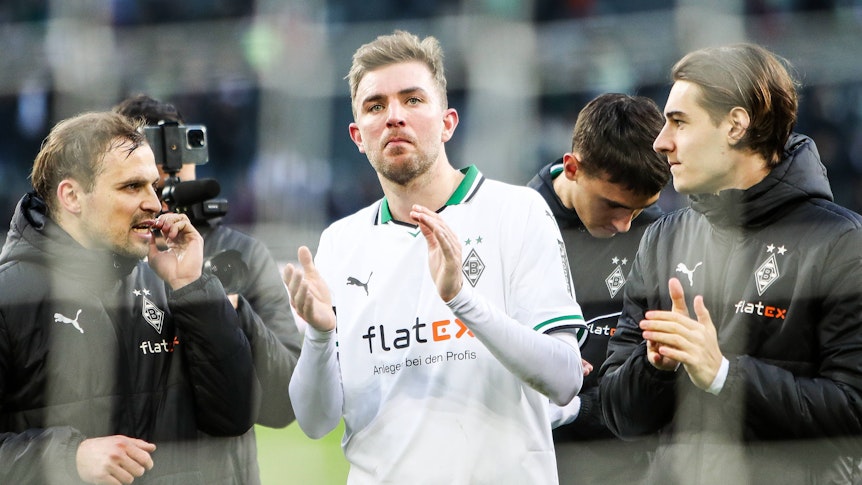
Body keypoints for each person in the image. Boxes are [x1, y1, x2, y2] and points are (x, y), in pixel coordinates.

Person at [283, 30, 587, 484]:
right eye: (375, 106)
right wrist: (321, 336)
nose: (394, 117)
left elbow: (565, 380)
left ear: (447, 123)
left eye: (412, 99)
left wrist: (462, 299)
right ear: (357, 136)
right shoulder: (339, 243)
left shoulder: (516, 211)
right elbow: (314, 422)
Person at [599, 43, 862, 484]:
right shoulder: (662, 239)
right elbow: (619, 417)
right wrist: (654, 370)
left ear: (736, 125)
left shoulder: (841, 242)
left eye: (679, 121)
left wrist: (724, 375)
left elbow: (853, 411)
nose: (661, 142)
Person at [0, 111, 256, 484]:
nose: (155, 202)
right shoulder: (9, 297)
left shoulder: (169, 281)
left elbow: (234, 415)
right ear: (72, 196)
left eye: (153, 186)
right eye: (132, 187)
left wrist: (193, 287)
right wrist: (70, 458)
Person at [113, 94, 303, 484]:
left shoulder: (240, 255)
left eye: (180, 149)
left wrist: (226, 308)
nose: (170, 171)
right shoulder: (104, 260)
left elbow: (285, 402)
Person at [528, 92, 670, 484]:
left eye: (638, 208)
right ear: (572, 168)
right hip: (536, 461)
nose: (625, 224)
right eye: (613, 205)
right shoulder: (514, 225)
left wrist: (580, 407)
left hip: (627, 465)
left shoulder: (660, 236)